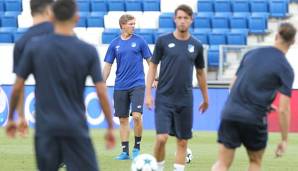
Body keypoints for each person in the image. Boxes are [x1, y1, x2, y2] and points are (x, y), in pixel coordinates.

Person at [6, 0, 115, 170]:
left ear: (52, 15)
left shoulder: (33, 46)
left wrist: (14, 117)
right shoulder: (87, 50)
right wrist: (109, 126)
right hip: (75, 125)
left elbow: (18, 87)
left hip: (46, 128)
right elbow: (101, 91)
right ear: (76, 18)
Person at [212, 22, 296, 171]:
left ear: (276, 36)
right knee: (255, 163)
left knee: (222, 164)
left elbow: (232, 86)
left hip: (230, 113)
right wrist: (284, 139)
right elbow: (283, 109)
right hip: (254, 118)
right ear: (293, 42)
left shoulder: (251, 54)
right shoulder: (286, 69)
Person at [145, 4, 209, 171]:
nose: (182, 21)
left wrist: (206, 98)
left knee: (182, 141)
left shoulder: (196, 45)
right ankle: (157, 168)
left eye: (185, 18)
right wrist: (148, 94)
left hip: (185, 99)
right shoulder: (163, 41)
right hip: (164, 97)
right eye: (179, 17)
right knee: (161, 138)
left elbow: (200, 73)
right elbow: (153, 66)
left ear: (191, 20)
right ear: (174, 19)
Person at [103, 14, 152, 160]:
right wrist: (101, 82)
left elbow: (150, 61)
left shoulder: (140, 41)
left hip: (137, 84)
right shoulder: (114, 44)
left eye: (134, 24)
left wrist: (155, 77)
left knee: (136, 116)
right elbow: (108, 65)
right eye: (131, 24)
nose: (133, 26)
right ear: (122, 25)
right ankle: (125, 151)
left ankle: (137, 147)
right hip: (120, 86)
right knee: (123, 119)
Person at [12, 0, 54, 132]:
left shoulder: (22, 43)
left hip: (43, 113)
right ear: (49, 10)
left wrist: (20, 116)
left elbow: (19, 85)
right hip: (71, 112)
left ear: (31, 12)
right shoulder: (65, 35)